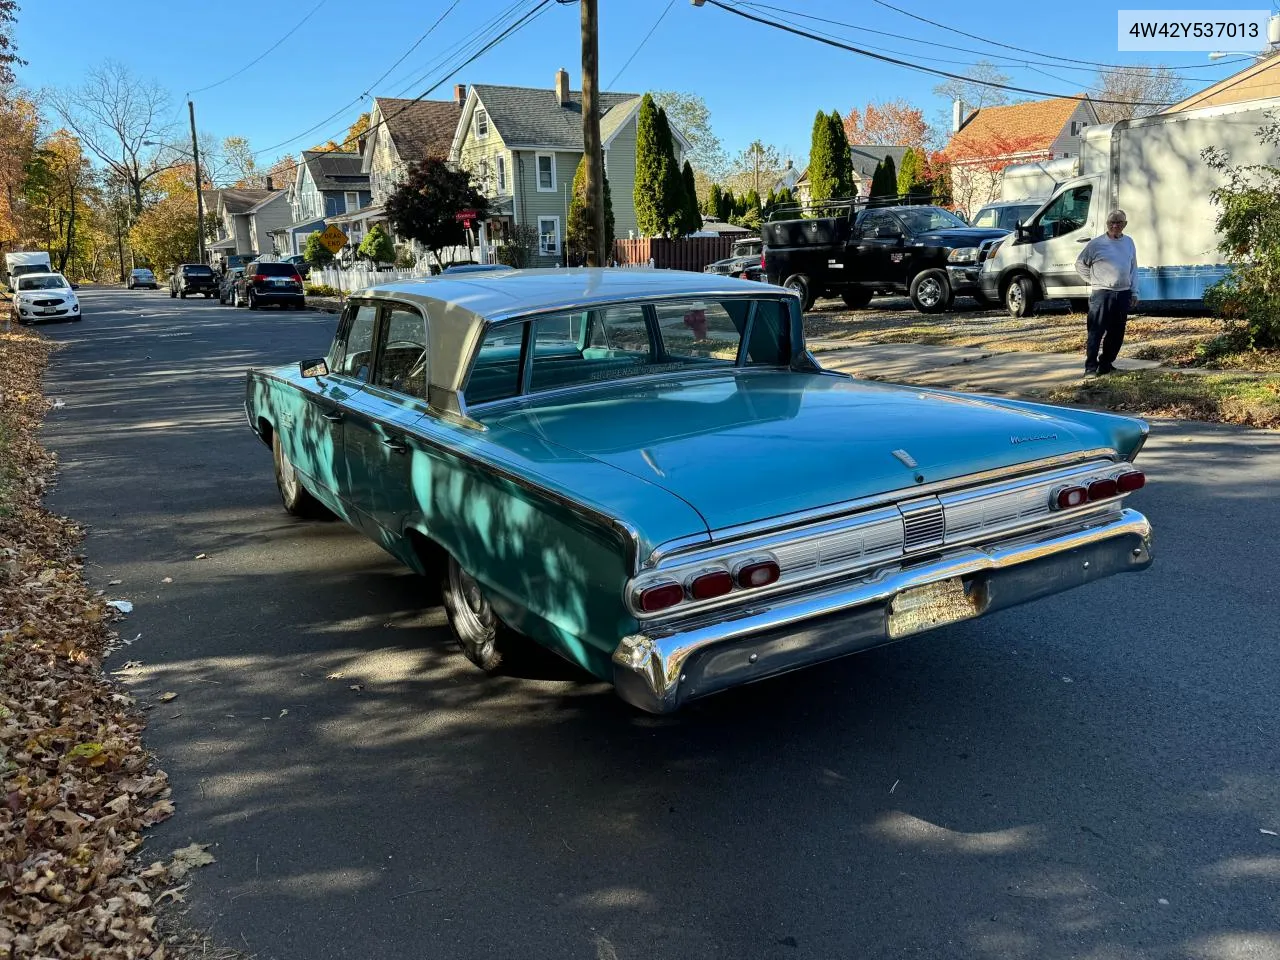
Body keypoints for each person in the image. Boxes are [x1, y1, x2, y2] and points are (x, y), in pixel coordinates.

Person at [1075, 209, 1139, 376]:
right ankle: (1090, 368)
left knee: (1117, 333)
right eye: (1112, 222)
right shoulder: (1096, 244)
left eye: (1119, 222)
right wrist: (1094, 280)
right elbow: (1080, 264)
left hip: (1123, 293)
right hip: (1102, 294)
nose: (1115, 225)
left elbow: (1133, 268)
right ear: (1107, 224)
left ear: (1125, 224)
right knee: (1096, 332)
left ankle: (1106, 364)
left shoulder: (1129, 242)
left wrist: (1134, 292)